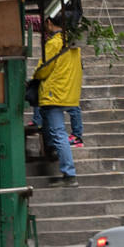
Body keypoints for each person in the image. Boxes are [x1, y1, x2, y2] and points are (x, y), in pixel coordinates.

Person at [34, 12, 83, 185]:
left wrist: (35, 76)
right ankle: (52, 151)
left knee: (58, 132)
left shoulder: (54, 43)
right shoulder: (73, 42)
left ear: (48, 22)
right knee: (52, 127)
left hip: (54, 93)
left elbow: (43, 69)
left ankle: (69, 174)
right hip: (68, 92)